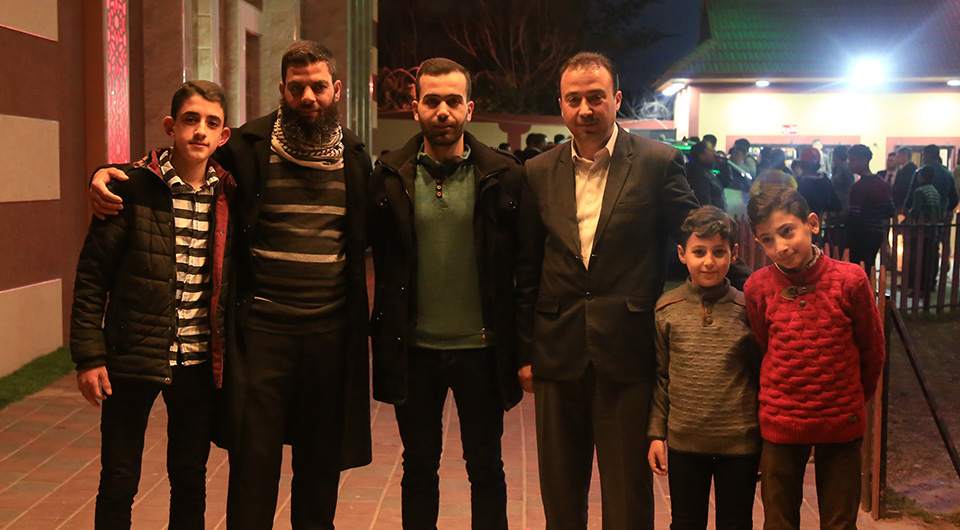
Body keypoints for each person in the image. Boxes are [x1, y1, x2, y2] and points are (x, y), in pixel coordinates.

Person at [88, 41, 374, 530]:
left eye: (319, 87)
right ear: (282, 89)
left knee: (319, 464)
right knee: (253, 464)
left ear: (337, 90)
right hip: (261, 334)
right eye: (297, 87)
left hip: (329, 335)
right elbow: (180, 158)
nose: (308, 97)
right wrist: (107, 175)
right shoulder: (245, 146)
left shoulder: (356, 158)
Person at [516, 51, 750, 530]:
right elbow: (527, 265)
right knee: (560, 493)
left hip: (627, 349)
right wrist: (524, 351)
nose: (585, 109)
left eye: (596, 97)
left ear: (616, 99)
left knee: (628, 496)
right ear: (560, 105)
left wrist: (761, 283)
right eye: (574, 99)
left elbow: (697, 232)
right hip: (557, 352)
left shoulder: (656, 163)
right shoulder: (537, 172)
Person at [367, 58, 523, 530]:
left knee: (486, 467)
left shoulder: (503, 175)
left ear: (469, 109)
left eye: (453, 101)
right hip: (414, 349)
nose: (443, 111)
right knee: (418, 467)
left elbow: (526, 265)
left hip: (482, 349)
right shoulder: (389, 175)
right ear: (414, 107)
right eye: (432, 100)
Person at [71, 81, 234, 529]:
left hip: (197, 362)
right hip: (131, 356)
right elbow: (92, 278)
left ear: (223, 136)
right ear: (170, 126)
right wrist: (89, 356)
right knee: (119, 478)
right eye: (190, 119)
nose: (200, 131)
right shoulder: (131, 189)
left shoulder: (229, 195)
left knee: (190, 477)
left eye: (212, 123)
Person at [744, 188, 885, 530]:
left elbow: (872, 349)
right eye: (767, 240)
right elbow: (763, 347)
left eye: (787, 231)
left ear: (812, 223)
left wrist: (852, 398)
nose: (780, 247)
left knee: (839, 522)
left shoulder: (850, 281)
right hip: (781, 420)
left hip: (840, 419)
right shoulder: (757, 288)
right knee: (778, 520)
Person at [647, 206, 761, 530]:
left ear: (733, 254)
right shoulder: (666, 309)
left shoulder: (747, 309)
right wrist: (656, 434)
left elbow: (760, 377)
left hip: (740, 444)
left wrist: (764, 439)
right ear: (682, 254)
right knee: (685, 523)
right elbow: (661, 376)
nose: (709, 261)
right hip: (684, 442)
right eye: (699, 252)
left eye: (718, 252)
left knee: (736, 523)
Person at [847, 144, 894, 270]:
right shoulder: (884, 184)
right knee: (869, 266)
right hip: (877, 234)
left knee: (857, 269)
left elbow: (854, 217)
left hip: (860, 236)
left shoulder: (858, 187)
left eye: (852, 160)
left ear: (863, 161)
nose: (849, 164)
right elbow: (890, 211)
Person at [904, 144, 959, 219]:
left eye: (923, 155)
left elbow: (912, 194)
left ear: (928, 155)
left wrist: (907, 209)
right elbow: (954, 198)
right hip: (942, 213)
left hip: (923, 214)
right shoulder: (948, 174)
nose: (923, 158)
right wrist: (947, 210)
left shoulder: (921, 173)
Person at [796, 146, 840, 218]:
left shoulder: (803, 185)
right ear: (818, 166)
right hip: (824, 222)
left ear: (802, 166)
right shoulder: (827, 182)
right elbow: (836, 206)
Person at [685, 141, 727, 210]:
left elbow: (726, 182)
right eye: (710, 150)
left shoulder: (708, 171)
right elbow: (704, 201)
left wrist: (724, 163)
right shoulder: (698, 174)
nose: (714, 152)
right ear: (702, 156)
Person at [891, 146, 917, 214]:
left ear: (905, 156)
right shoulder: (905, 169)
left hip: (903, 202)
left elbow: (903, 186)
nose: (897, 158)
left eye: (899, 156)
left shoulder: (909, 169)